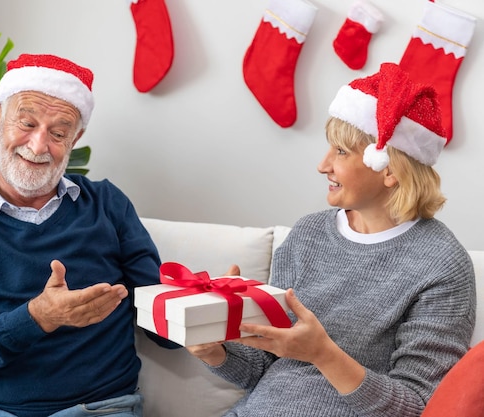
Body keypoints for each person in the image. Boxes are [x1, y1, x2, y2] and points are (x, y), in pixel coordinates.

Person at [186, 62, 476, 417]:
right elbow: (265, 368)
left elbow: (416, 407)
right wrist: (215, 349)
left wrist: (323, 354)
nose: (323, 165)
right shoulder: (308, 234)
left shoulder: (441, 265)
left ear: (389, 169)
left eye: (340, 152)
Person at [0, 53, 178, 417]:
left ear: (75, 138)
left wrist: (206, 310)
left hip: (102, 409)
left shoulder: (107, 204)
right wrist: (37, 317)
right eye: (26, 123)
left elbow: (163, 329)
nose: (38, 146)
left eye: (58, 133)